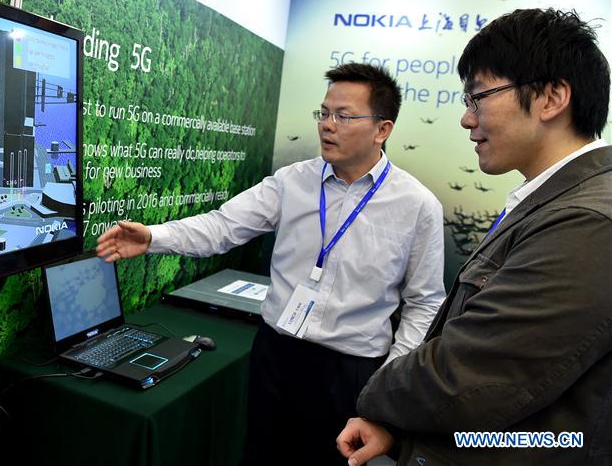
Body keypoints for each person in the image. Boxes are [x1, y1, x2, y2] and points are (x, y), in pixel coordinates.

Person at [97, 63, 446, 464]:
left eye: (344, 116)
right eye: (324, 113)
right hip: (276, 356)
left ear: (382, 129)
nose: (327, 126)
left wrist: (389, 382)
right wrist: (155, 237)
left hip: (351, 371)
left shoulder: (416, 206)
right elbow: (222, 227)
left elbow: (424, 303)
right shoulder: (292, 181)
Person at [338, 8, 612, 465]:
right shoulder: (557, 201)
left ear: (552, 97)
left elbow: (472, 377)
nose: (467, 120)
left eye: (478, 98)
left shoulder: (587, 221)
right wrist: (401, 430)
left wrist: (374, 395)